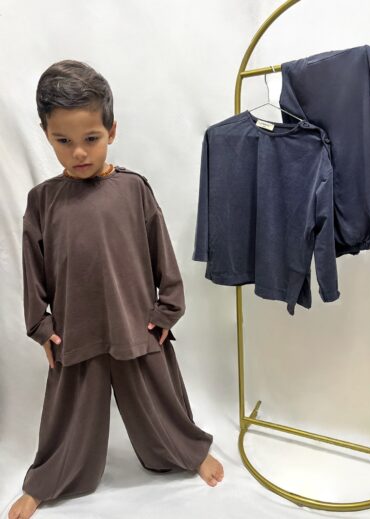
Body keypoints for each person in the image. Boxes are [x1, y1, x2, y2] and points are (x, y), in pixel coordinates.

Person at [9, 60, 223, 519]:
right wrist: (41, 326)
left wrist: (166, 312)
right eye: (62, 141)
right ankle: (45, 482)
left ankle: (189, 453)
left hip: (135, 323)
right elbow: (32, 270)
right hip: (75, 328)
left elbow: (163, 256)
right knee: (66, 415)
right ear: (46, 134)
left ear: (112, 130)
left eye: (91, 139)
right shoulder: (42, 201)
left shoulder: (133, 189)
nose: (78, 153)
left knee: (159, 398)